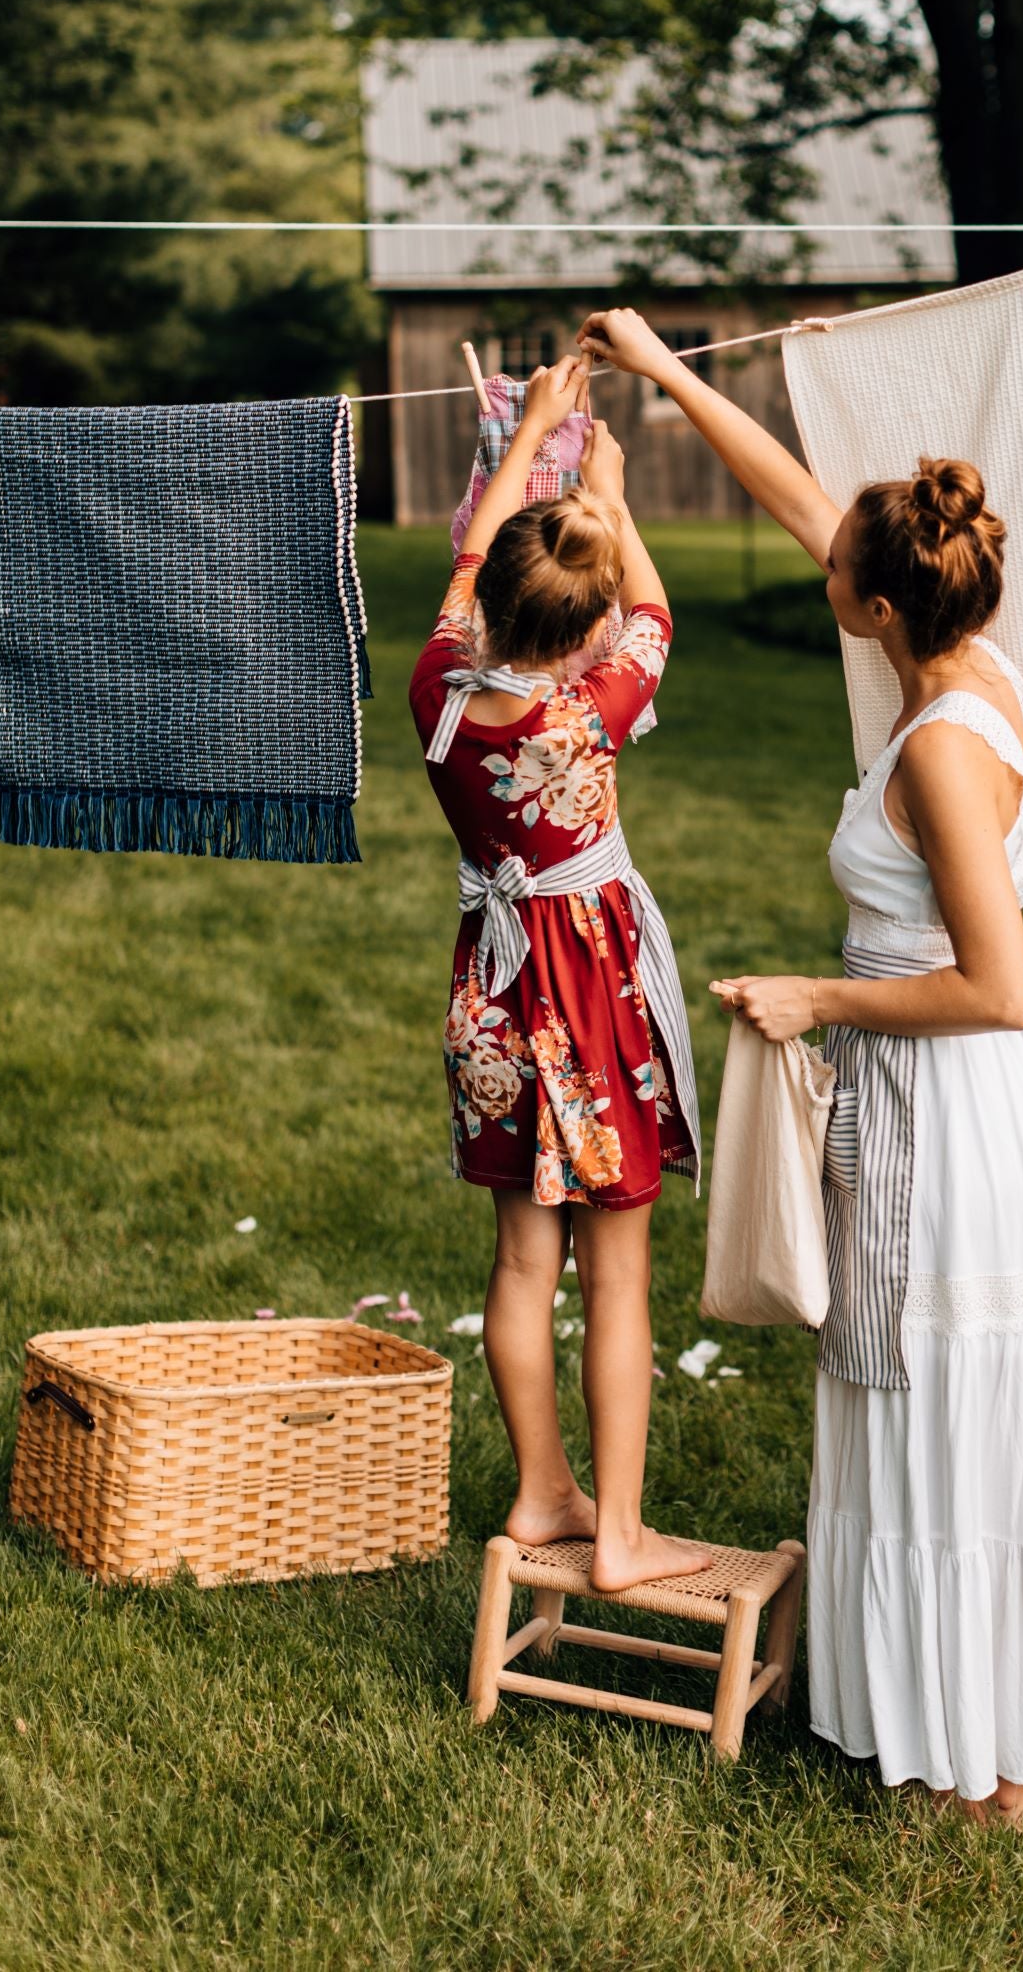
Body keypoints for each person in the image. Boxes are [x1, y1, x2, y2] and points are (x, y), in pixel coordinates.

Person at [577, 309, 1023, 1823]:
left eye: (839, 575)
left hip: (953, 1115)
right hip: (947, 1111)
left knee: (942, 1412)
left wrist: (816, 996)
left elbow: (1001, 988)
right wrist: (674, 376)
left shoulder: (943, 743)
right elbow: (809, 504)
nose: (821, 567)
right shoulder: (959, 662)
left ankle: (985, 1767)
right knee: (949, 1417)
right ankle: (984, 1741)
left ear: (879, 610)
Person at [408, 356, 708, 1593]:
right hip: (587, 998)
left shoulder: (437, 688)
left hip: (489, 987)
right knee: (617, 1269)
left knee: (524, 1260)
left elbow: (469, 565)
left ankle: (543, 1489)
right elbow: (658, 615)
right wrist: (612, 494)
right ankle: (621, 1532)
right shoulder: (589, 709)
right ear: (586, 638)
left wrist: (529, 430)